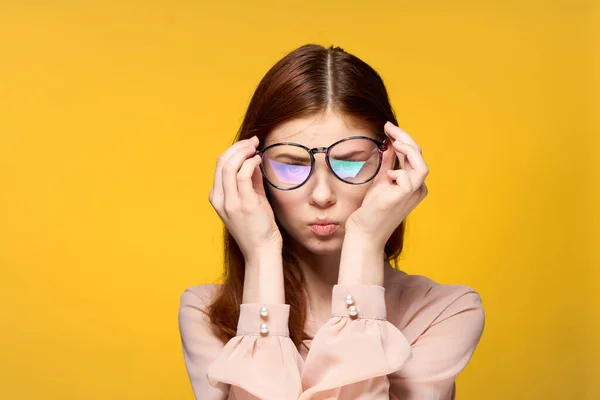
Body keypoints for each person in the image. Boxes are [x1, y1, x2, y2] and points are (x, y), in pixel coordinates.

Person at [177, 43, 485, 400]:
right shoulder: (205, 314)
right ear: (250, 170)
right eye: (291, 165)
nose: (322, 194)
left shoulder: (444, 312)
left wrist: (365, 239)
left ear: (391, 163)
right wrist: (261, 252)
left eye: (350, 162)